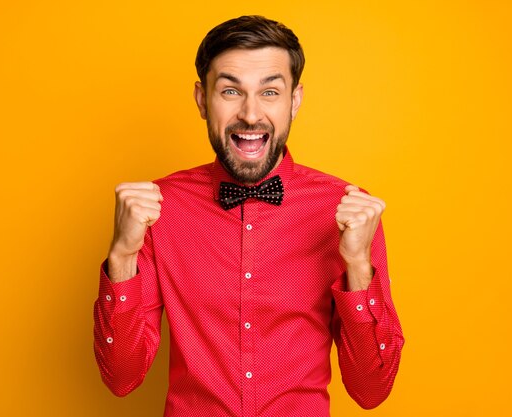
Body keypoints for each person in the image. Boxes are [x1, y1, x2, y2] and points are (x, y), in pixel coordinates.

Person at [93, 15, 404, 417]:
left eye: (270, 92)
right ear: (203, 99)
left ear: (295, 100)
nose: (252, 115)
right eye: (230, 91)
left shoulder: (347, 210)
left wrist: (359, 266)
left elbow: (371, 390)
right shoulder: (156, 210)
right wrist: (121, 257)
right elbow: (121, 379)